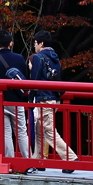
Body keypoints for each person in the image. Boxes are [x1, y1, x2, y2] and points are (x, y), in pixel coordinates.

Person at [30, 31, 77, 169]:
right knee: (40, 129)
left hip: (43, 97)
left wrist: (30, 97)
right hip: (54, 98)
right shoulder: (55, 58)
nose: (34, 46)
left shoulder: (39, 58)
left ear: (41, 43)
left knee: (49, 131)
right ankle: (37, 159)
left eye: (35, 43)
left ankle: (70, 158)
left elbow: (34, 80)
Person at [0, 30, 30, 158]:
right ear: (11, 44)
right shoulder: (19, 59)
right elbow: (25, 79)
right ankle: (28, 162)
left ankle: (10, 160)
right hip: (16, 101)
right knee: (21, 132)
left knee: (6, 133)